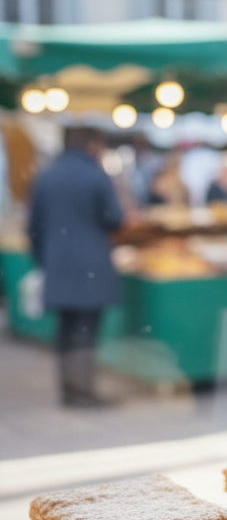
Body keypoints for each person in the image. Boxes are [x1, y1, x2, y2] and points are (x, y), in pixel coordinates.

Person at [28, 127, 124, 407]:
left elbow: (33, 227)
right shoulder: (96, 175)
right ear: (92, 145)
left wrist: (44, 260)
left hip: (57, 263)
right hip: (91, 264)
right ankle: (83, 391)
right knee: (85, 330)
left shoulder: (46, 177)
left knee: (66, 329)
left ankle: (69, 388)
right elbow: (114, 219)